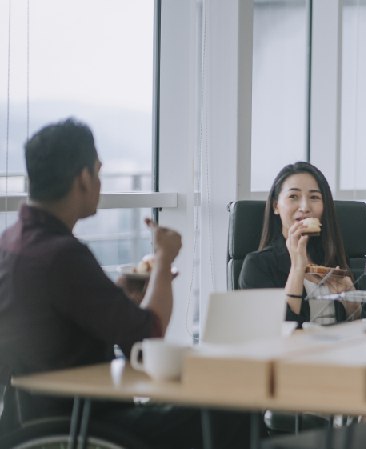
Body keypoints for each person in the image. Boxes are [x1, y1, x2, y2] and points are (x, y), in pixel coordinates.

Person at [0, 118, 247, 448]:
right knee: (233, 411)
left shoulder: (11, 242)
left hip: (28, 423)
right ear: (83, 178)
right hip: (83, 425)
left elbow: (58, 321)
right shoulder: (62, 255)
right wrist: (164, 260)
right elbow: (149, 334)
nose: (100, 183)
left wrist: (119, 299)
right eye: (98, 172)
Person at [239, 161, 358, 325]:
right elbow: (279, 329)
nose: (305, 207)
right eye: (293, 196)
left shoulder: (333, 256)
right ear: (276, 206)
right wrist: (297, 268)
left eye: (314, 197)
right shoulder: (257, 265)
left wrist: (352, 301)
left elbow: (360, 325)